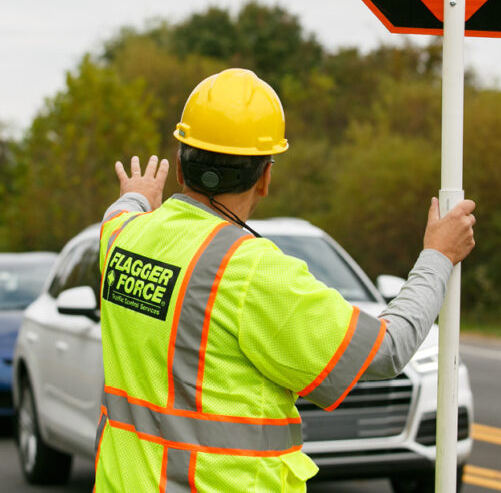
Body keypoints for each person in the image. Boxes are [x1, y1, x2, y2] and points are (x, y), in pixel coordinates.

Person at [94, 68, 476, 492]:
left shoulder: (122, 237)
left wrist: (137, 195)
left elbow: (118, 213)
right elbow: (385, 351)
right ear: (265, 178)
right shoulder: (249, 269)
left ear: (181, 169)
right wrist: (438, 257)